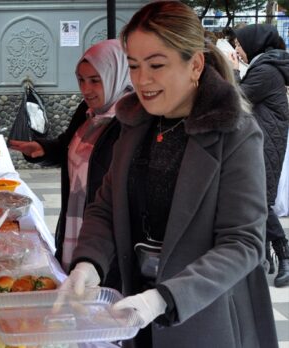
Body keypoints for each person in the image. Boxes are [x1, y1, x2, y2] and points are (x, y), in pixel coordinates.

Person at [61, 2, 277, 347]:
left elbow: (243, 242)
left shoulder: (234, 133)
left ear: (195, 64)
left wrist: (164, 298)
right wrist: (88, 263)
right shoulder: (133, 125)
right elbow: (104, 207)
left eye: (156, 66)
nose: (142, 80)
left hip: (202, 313)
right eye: (133, 66)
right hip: (133, 308)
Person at [9, 39, 132, 290]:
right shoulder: (87, 111)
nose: (86, 89)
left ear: (116, 75)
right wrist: (43, 149)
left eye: (95, 80)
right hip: (74, 222)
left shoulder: (129, 123)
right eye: (81, 80)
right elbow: (69, 144)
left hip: (107, 239)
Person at [233, 24, 289, 288]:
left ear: (253, 44)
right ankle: (263, 257)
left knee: (258, 201)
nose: (236, 50)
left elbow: (237, 98)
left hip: (265, 142)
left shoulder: (265, 70)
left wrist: (232, 71)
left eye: (239, 45)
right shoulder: (265, 66)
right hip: (265, 139)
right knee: (259, 198)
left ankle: (284, 252)